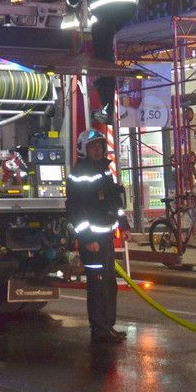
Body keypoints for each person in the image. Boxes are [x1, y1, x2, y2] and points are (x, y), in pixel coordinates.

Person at [65, 129, 126, 344]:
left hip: (106, 238)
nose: (98, 150)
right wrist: (87, 239)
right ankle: (100, 330)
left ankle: (108, 326)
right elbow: (76, 210)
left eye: (100, 146)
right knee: (98, 286)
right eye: (93, 147)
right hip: (92, 243)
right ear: (84, 149)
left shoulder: (105, 171)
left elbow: (115, 202)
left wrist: (124, 225)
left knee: (109, 284)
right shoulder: (79, 174)